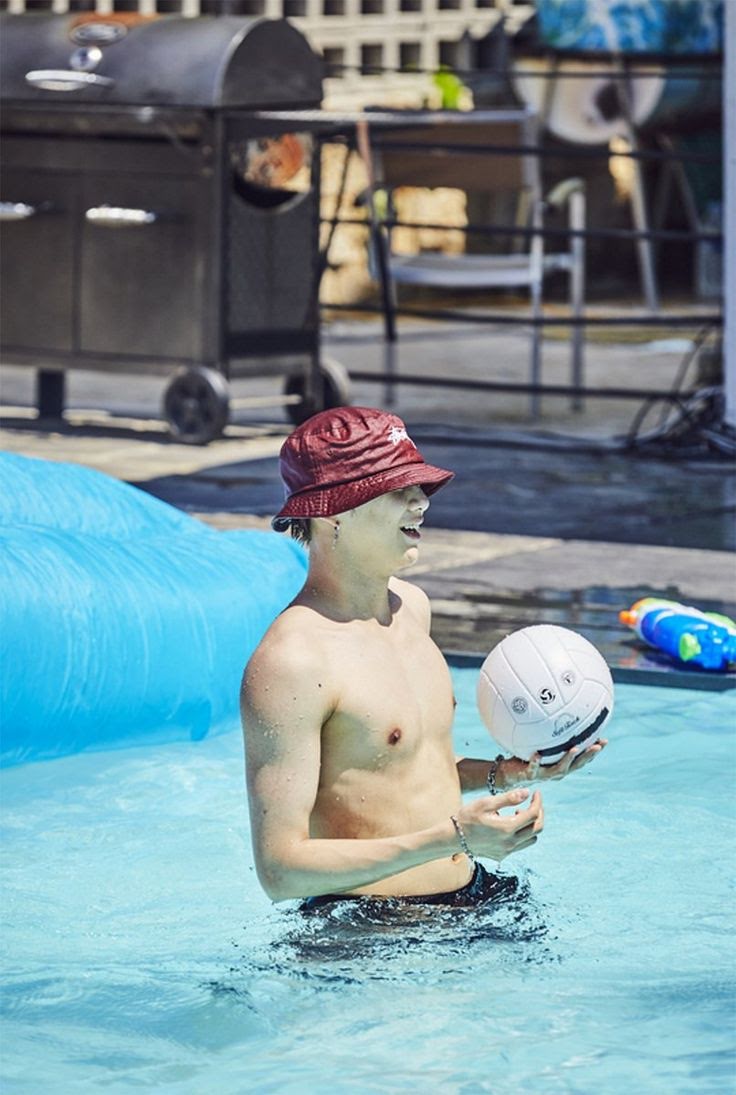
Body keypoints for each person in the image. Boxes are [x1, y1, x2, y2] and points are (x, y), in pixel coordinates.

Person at [241, 406, 606, 908]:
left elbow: (404, 768)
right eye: (397, 490)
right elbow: (280, 872)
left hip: (473, 897)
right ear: (331, 513)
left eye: (419, 486)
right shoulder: (293, 662)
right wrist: (452, 838)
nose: (421, 502)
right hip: (367, 932)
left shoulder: (413, 609)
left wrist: (511, 773)